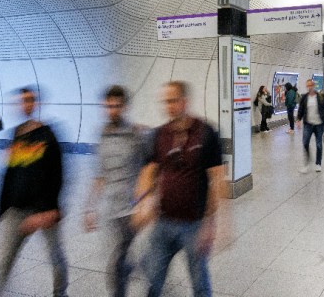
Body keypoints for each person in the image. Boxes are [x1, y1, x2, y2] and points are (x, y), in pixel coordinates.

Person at [134, 81, 224, 297]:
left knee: (199, 283)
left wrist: (212, 223)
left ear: (185, 101)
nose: (169, 106)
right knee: (153, 279)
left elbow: (217, 178)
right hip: (163, 222)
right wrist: (144, 201)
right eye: (165, 102)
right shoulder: (159, 135)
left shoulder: (206, 132)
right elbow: (148, 170)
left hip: (195, 224)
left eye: (173, 101)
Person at [0, 87, 67, 297]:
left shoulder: (48, 135)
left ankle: (60, 293)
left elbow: (57, 174)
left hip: (43, 210)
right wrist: (3, 206)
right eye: (21, 101)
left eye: (28, 101)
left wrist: (50, 209)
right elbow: (12, 173)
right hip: (18, 209)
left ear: (36, 104)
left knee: (56, 256)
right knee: (6, 258)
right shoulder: (16, 133)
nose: (24, 105)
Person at [85, 85, 149, 297]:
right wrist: (89, 207)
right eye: (108, 106)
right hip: (111, 210)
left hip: (131, 208)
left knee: (117, 262)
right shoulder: (102, 134)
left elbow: (150, 168)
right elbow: (100, 174)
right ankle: (136, 267)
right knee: (121, 257)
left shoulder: (135, 134)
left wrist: (145, 201)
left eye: (116, 106)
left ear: (124, 106)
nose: (112, 110)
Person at [296, 79, 324, 173]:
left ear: (314, 86)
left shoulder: (321, 97)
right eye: (308, 85)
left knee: (319, 144)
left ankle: (318, 163)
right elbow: (301, 109)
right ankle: (307, 163)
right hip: (308, 124)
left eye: (311, 85)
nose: (309, 87)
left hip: (319, 124)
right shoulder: (304, 97)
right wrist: (298, 120)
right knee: (305, 143)